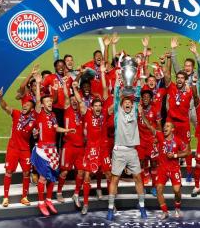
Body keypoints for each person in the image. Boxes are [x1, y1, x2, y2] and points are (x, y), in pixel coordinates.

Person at [31, 73, 75, 216]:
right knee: (43, 177)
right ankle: (41, 202)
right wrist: (38, 83)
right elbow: (37, 100)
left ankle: (49, 200)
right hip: (43, 150)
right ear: (43, 104)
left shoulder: (53, 115)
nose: (49, 103)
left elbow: (56, 128)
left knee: (52, 177)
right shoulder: (39, 112)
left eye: (50, 101)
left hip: (53, 150)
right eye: (47, 101)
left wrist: (67, 129)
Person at [73, 60, 112, 215]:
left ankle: (111, 204)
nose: (97, 107)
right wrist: (75, 89)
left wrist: (122, 92)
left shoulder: (105, 113)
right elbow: (80, 101)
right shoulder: (87, 113)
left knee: (109, 175)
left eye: (99, 106)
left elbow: (106, 93)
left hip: (104, 149)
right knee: (87, 176)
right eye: (95, 105)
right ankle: (86, 204)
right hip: (91, 149)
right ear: (92, 107)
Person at [107, 69, 146, 221]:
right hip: (119, 151)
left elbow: (138, 94)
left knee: (138, 178)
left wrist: (137, 79)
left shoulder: (135, 111)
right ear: (122, 105)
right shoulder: (118, 114)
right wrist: (117, 79)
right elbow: (117, 96)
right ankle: (110, 209)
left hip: (132, 152)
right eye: (126, 103)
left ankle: (142, 207)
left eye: (130, 103)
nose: (128, 104)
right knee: (114, 179)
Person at [142, 117, 189, 220]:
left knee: (176, 191)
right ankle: (165, 211)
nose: (164, 127)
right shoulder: (160, 136)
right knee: (159, 189)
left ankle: (177, 208)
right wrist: (142, 114)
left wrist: (175, 155)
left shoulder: (178, 141)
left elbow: (187, 152)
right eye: (164, 126)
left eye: (167, 126)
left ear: (172, 129)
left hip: (174, 169)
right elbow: (149, 126)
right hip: (162, 168)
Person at [0, 87, 36, 207]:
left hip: (25, 150)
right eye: (24, 104)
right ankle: (5, 198)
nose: (25, 106)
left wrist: (36, 133)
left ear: (32, 109)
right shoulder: (16, 113)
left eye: (28, 105)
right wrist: (0, 97)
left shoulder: (33, 120)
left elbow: (38, 130)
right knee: (9, 172)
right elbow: (5, 107)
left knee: (26, 173)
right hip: (13, 148)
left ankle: (24, 197)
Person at [164, 38, 194, 181]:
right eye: (178, 77)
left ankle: (188, 172)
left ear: (186, 80)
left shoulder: (189, 90)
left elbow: (198, 98)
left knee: (186, 147)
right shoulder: (172, 87)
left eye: (182, 77)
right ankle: (169, 170)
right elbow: (167, 75)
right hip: (171, 121)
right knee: (168, 144)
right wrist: (169, 58)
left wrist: (192, 85)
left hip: (183, 123)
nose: (180, 79)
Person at [56, 89, 85, 207]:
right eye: (71, 100)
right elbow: (67, 97)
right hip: (68, 146)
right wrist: (67, 85)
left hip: (81, 148)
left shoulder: (83, 112)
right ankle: (58, 192)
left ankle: (76, 194)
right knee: (64, 172)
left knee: (81, 172)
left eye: (75, 100)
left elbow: (81, 102)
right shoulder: (67, 110)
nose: (73, 101)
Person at [137, 89, 162, 196]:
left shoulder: (156, 110)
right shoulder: (137, 110)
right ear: (142, 99)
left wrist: (157, 138)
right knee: (141, 164)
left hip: (152, 141)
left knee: (154, 164)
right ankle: (142, 187)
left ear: (151, 99)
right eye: (144, 97)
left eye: (148, 97)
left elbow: (159, 126)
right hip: (141, 141)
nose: (146, 98)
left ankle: (154, 187)